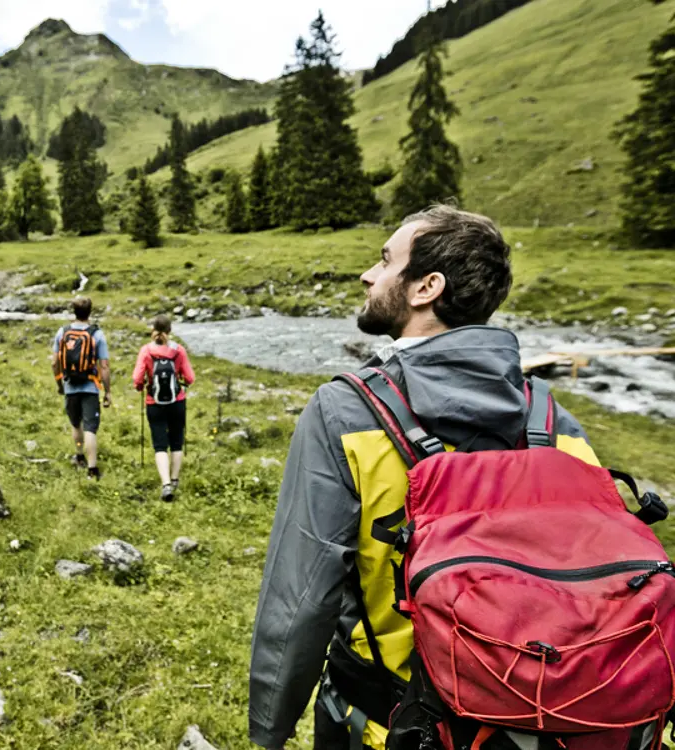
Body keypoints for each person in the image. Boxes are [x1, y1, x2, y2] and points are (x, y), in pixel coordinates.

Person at [248, 205, 601, 750]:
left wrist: (267, 734)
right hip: (543, 722)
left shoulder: (346, 413)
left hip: (388, 724)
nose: (369, 274)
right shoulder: (552, 421)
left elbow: (298, 603)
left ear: (426, 287)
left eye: (386, 260)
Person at [133, 315, 196, 501]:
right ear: (170, 330)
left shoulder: (146, 351)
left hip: (154, 402)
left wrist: (141, 386)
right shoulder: (178, 351)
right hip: (177, 401)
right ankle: (175, 479)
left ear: (153, 329)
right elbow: (190, 378)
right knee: (177, 441)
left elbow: (137, 378)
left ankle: (166, 485)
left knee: (160, 445)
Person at [52, 297, 111, 480]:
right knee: (90, 429)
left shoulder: (63, 332)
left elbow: (54, 362)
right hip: (90, 387)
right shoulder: (97, 334)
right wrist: (107, 391)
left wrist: (60, 384)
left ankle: (79, 456)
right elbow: (105, 366)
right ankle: (92, 470)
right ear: (90, 312)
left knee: (76, 424)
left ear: (74, 311)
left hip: (70, 386)